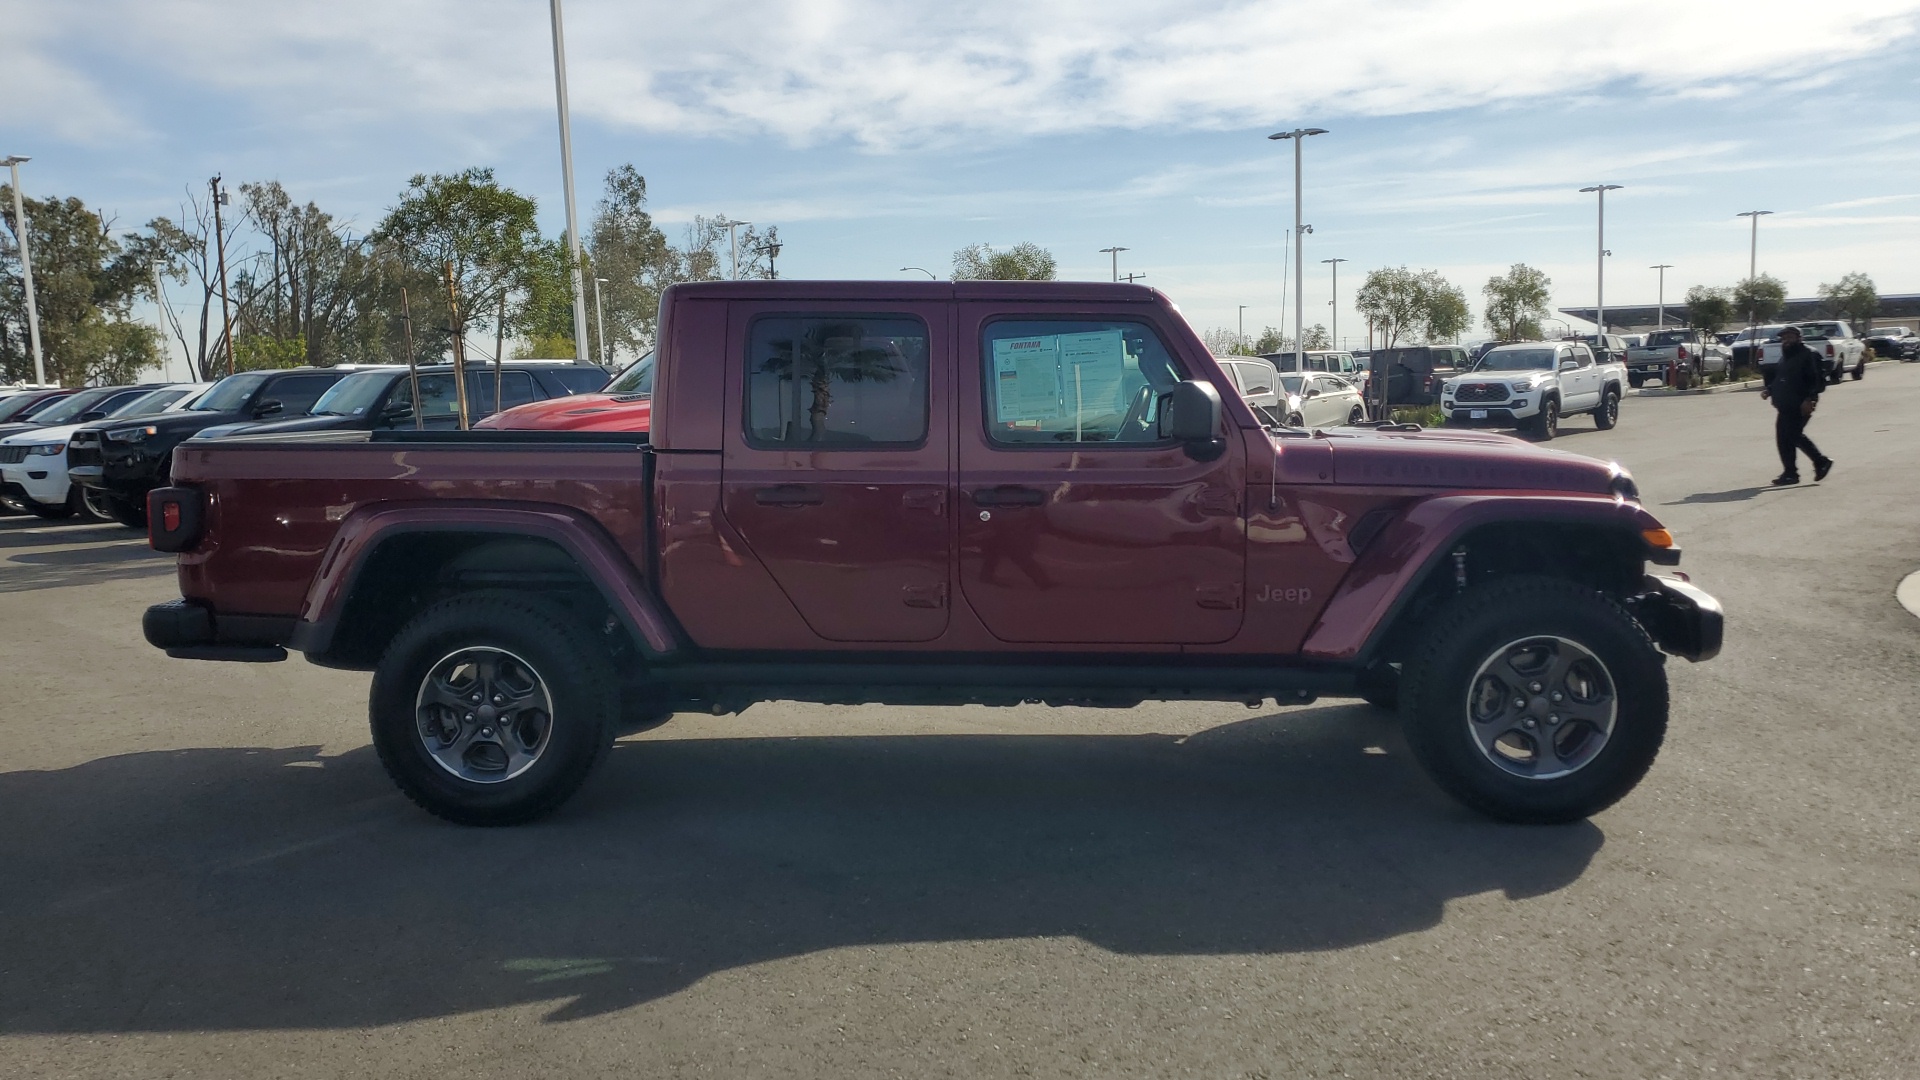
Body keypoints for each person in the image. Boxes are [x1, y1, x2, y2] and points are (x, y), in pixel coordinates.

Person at [1760, 325, 1833, 485]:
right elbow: (1782, 378)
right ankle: (1790, 473)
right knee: (1783, 438)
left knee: (1793, 434)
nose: (1786, 341)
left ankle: (1821, 461)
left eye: (1790, 337)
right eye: (1784, 338)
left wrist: (1810, 399)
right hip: (1786, 404)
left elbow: (1817, 380)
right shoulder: (1786, 356)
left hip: (1800, 403)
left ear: (1799, 338)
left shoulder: (1809, 354)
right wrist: (1770, 390)